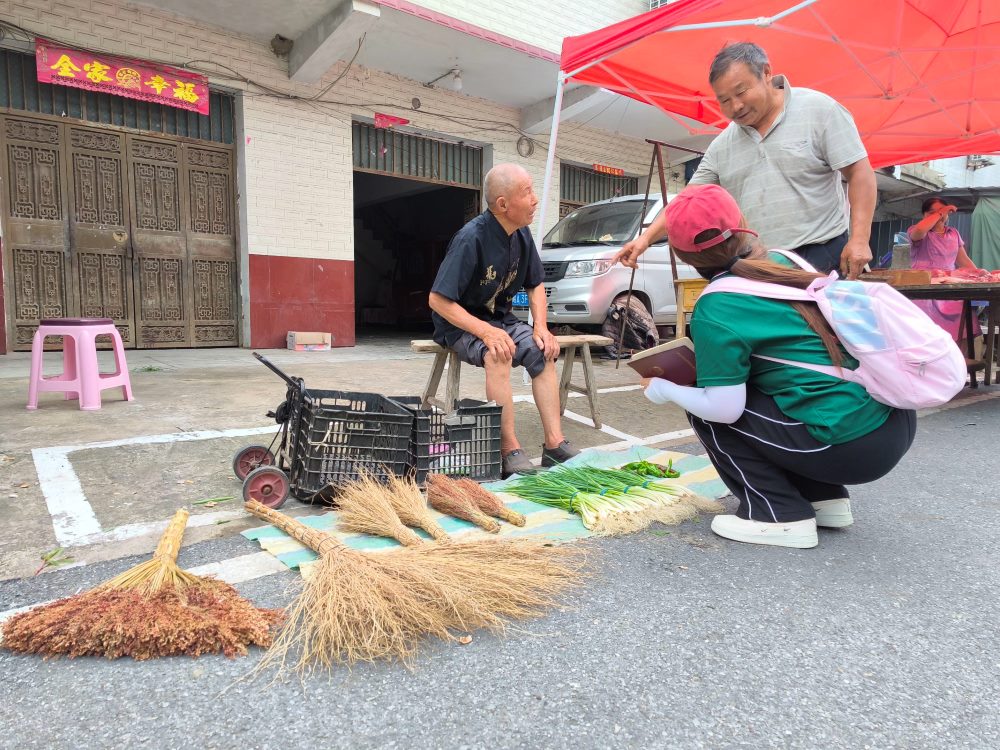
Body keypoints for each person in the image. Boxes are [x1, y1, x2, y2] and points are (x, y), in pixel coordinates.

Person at [640, 184, 916, 549]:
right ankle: (825, 498)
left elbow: (724, 408)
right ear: (744, 224)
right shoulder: (788, 262)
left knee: (706, 409)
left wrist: (667, 390)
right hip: (895, 420)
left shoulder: (717, 305)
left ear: (682, 255)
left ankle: (776, 513)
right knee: (772, 388)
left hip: (849, 445)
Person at [616, 41, 877, 279]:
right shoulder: (723, 144)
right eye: (725, 100)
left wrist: (859, 239)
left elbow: (859, 174)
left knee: (821, 330)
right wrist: (644, 240)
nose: (735, 106)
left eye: (741, 92)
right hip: (762, 263)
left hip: (822, 255)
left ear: (766, 73)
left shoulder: (820, 110)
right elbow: (686, 202)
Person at [428, 163, 578, 477]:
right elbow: (438, 299)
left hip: (501, 319)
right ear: (503, 205)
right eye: (528, 193)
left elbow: (535, 284)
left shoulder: (521, 234)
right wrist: (485, 332)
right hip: (461, 323)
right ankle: (508, 450)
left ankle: (554, 444)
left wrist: (541, 327)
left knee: (543, 351)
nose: (536, 200)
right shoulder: (471, 238)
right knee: (499, 354)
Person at [907, 196, 978, 340]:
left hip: (950, 289)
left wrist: (981, 275)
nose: (937, 215)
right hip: (924, 290)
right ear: (924, 215)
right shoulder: (917, 231)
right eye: (931, 212)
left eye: (941, 211)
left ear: (947, 215)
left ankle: (958, 360)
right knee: (925, 335)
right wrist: (940, 212)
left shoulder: (953, 233)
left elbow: (963, 260)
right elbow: (920, 230)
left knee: (963, 329)